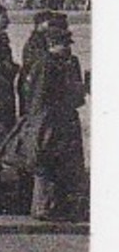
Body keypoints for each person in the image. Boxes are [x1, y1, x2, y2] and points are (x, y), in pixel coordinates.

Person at [16, 24, 87, 221]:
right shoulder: (46, 65)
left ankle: (54, 206)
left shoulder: (61, 63)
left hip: (60, 121)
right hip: (49, 123)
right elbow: (38, 99)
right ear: (53, 45)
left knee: (58, 164)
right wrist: (41, 125)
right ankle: (43, 208)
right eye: (64, 45)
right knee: (45, 165)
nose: (68, 49)